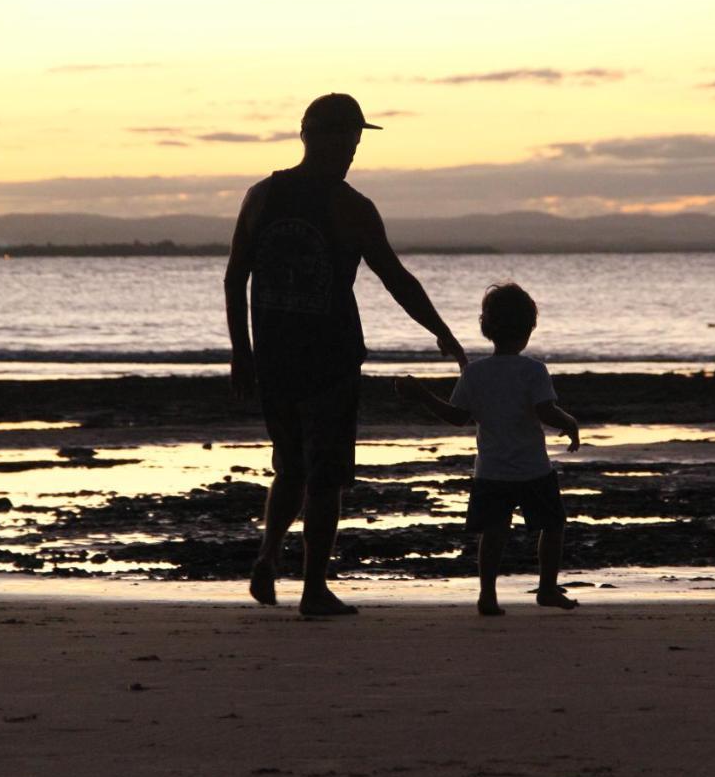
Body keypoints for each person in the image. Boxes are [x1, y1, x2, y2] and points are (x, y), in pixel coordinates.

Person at [225, 93, 467, 616]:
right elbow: (395, 278)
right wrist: (240, 352)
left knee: (294, 468)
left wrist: (242, 352)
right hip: (321, 360)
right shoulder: (342, 206)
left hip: (282, 357)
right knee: (322, 474)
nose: (353, 148)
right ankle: (311, 588)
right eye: (346, 137)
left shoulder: (267, 196)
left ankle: (269, 559)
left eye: (356, 138)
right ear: (315, 137)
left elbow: (236, 277)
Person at [395, 283, 580, 616]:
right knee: (552, 526)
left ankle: (488, 595)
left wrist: (423, 394)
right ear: (528, 329)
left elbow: (458, 417)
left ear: (487, 328)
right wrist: (570, 422)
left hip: (491, 471)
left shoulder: (474, 373)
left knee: (494, 533)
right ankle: (548, 588)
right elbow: (546, 412)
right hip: (533, 469)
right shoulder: (533, 370)